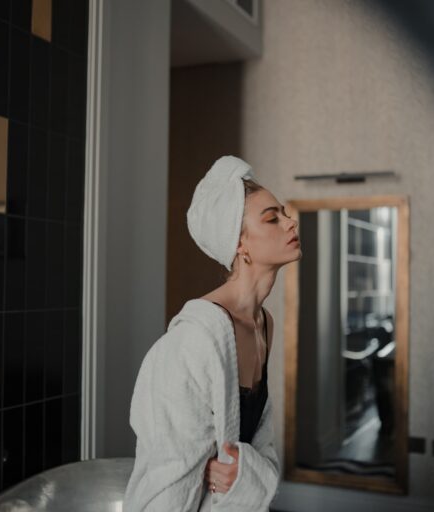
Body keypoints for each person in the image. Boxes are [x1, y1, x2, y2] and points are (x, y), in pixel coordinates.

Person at [123, 155, 302, 511]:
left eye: (283, 212)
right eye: (272, 218)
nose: (290, 221)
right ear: (239, 243)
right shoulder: (194, 341)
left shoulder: (264, 323)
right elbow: (170, 478)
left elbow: (258, 445)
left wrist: (244, 472)